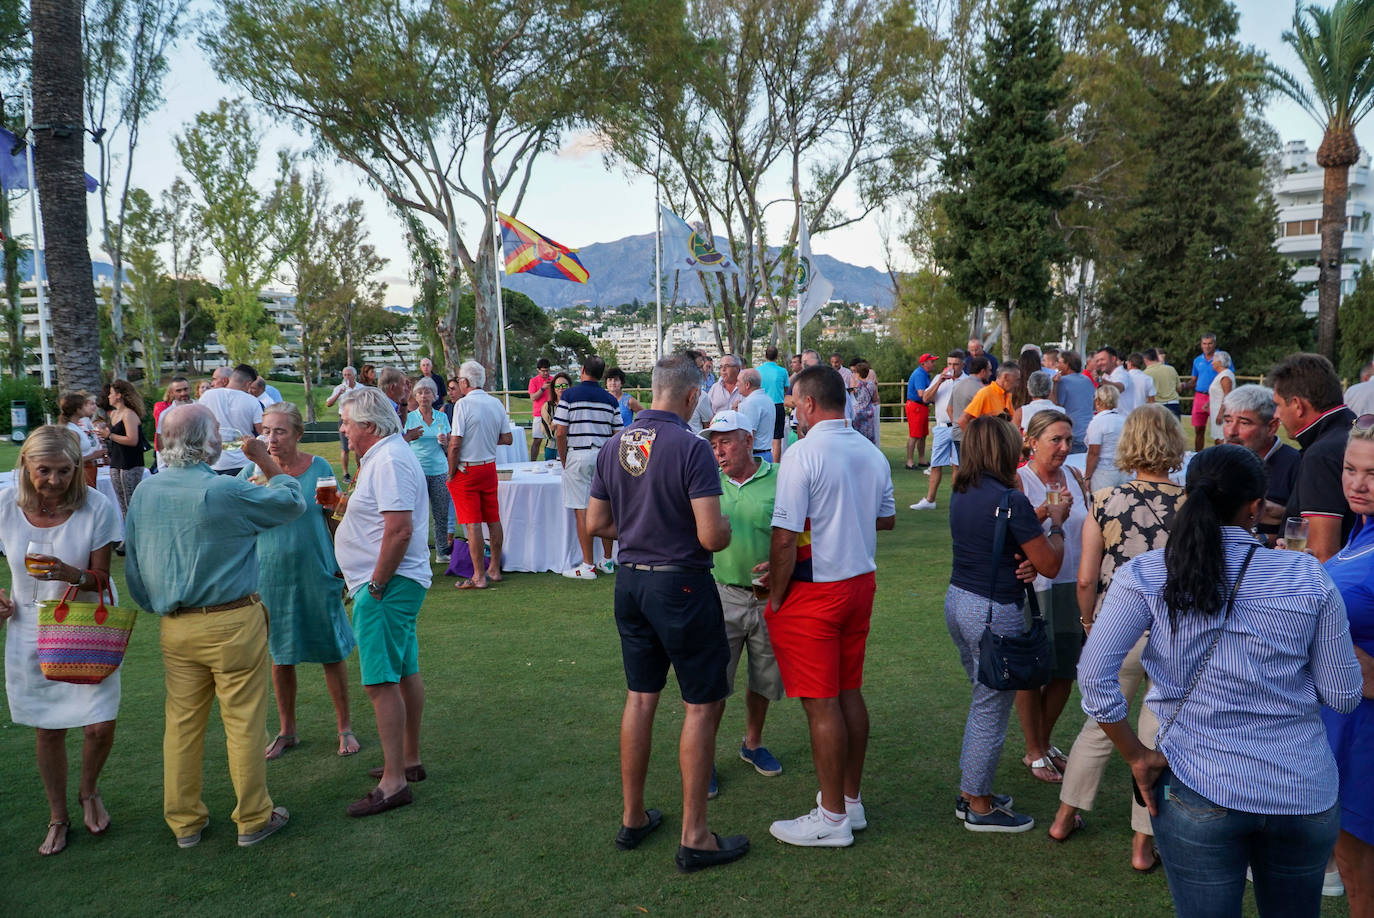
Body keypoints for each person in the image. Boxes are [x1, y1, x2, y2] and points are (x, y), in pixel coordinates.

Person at [1079, 444, 1361, 918]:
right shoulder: (1305, 575)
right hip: (1301, 787)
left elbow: (1094, 678)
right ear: (1256, 507)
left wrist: (1137, 756)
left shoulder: (1147, 573)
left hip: (1197, 784)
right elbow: (1343, 694)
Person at [585, 354, 749, 873]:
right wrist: (724, 531)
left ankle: (633, 817)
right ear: (692, 396)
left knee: (640, 698)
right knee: (700, 704)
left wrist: (640, 533)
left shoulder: (617, 444)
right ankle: (695, 835)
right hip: (680, 583)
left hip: (630, 582)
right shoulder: (692, 448)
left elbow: (595, 523)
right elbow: (709, 535)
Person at [124, 404, 304, 848]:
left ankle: (185, 824)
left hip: (176, 625)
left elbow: (134, 568)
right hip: (231, 621)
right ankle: (253, 818)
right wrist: (263, 459)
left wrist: (160, 606)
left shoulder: (146, 492)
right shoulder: (221, 490)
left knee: (182, 727)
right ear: (206, 442)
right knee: (244, 723)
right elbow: (292, 501)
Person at [1048, 404, 1187, 871]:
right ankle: (1142, 845)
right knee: (1155, 733)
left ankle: (1065, 817)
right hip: (1174, 633)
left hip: (1117, 627)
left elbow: (1086, 578)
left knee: (1099, 726)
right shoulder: (1192, 505)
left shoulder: (1104, 499)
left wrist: (1090, 624)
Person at [765, 365, 895, 847]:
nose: (792, 412)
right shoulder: (871, 451)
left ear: (809, 404)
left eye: (795, 404)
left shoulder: (803, 454)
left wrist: (776, 597)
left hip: (818, 590)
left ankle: (833, 816)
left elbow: (783, 535)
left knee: (822, 704)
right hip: (859, 580)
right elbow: (886, 520)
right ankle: (850, 802)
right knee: (848, 692)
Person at [0, 427, 122, 855]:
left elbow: (102, 579)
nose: (54, 480)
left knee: (99, 725)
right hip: (29, 630)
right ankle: (58, 816)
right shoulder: (5, 506)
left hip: (84, 625)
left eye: (64, 471)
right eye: (43, 471)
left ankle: (88, 791)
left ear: (77, 467)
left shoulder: (97, 506)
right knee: (48, 730)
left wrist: (69, 575)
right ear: (25, 467)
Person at [946, 415, 1067, 831]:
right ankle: (977, 804)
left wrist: (1034, 520)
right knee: (989, 708)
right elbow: (1049, 563)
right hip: (995, 608)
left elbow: (1001, 533)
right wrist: (1057, 524)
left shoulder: (962, 490)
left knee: (984, 699)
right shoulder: (1008, 498)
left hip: (960, 600)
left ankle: (971, 790)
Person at [326, 387, 432, 818]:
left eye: (347, 423)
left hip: (387, 585)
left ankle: (394, 783)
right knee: (403, 669)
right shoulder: (385, 455)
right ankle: (406, 761)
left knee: (380, 681)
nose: (343, 430)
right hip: (390, 583)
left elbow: (400, 530)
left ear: (368, 426)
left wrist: (376, 585)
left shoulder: (388, 459)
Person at [239, 403, 360, 760]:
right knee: (280, 656)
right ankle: (287, 730)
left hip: (315, 569)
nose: (271, 439)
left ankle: (345, 728)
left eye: (280, 431)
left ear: (297, 434)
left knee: (331, 651)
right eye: (266, 431)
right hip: (270, 575)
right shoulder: (252, 472)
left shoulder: (319, 468)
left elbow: (334, 516)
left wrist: (342, 566)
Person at [704, 411, 785, 786]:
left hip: (769, 598)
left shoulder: (780, 479)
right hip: (722, 596)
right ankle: (704, 760)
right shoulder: (707, 485)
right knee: (715, 682)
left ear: (749, 440)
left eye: (727, 442)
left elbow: (800, 532)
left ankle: (752, 743)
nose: (719, 451)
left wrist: (783, 564)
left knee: (764, 678)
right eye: (714, 444)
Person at [1015, 410, 1091, 784]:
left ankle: (1043, 744)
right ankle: (1033, 749)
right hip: (1036, 589)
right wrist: (1048, 511)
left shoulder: (1076, 477)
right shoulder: (1019, 480)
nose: (1063, 448)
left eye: (1068, 440)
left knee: (1065, 670)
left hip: (1072, 585)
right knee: (1031, 674)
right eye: (1055, 440)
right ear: (1032, 441)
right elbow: (1011, 535)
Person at [1324, 418, 1374, 915]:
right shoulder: (1361, 530)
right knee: (1352, 862)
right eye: (1350, 469)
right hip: (1344, 723)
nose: (1358, 484)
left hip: (1367, 732)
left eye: (1373, 473)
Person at [1273, 352, 1359, 560]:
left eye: (1278, 405)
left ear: (1297, 405)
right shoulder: (1357, 432)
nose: (1276, 415)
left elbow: (1322, 553)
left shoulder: (1321, 455)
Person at [447, 360, 513, 590]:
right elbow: (508, 438)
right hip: (488, 467)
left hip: (468, 469)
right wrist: (484, 439)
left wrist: (450, 472)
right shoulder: (496, 403)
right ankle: (494, 568)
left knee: (472, 523)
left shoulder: (463, 405)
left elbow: (455, 444)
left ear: (465, 382)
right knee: (493, 519)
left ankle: (478, 576)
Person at [554, 356, 622, 580]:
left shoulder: (569, 395)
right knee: (606, 507)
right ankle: (608, 560)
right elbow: (617, 434)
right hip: (603, 455)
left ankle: (587, 565)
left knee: (581, 509)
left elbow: (561, 432)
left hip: (579, 453)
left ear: (582, 370)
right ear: (602, 375)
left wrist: (564, 459)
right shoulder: (610, 400)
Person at [1222, 383, 1301, 546]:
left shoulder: (1296, 465)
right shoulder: (1218, 462)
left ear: (1272, 427)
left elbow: (1303, 527)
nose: (1231, 432)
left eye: (1244, 423)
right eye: (1228, 421)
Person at [404, 378, 452, 563]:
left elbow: (449, 446)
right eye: (420, 392)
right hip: (418, 471)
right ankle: (418, 553)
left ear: (434, 395)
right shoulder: (409, 418)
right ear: (415, 396)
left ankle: (442, 552)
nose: (424, 396)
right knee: (417, 515)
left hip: (440, 470)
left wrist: (445, 442)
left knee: (441, 513)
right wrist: (409, 436)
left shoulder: (441, 417)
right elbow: (402, 442)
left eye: (427, 392)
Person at [910, 350, 965, 511]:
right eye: (949, 363)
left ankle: (957, 501)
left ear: (963, 364)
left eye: (955, 364)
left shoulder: (967, 381)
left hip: (959, 427)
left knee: (957, 465)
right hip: (942, 427)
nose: (952, 367)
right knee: (936, 464)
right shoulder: (939, 378)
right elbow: (926, 398)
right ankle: (930, 499)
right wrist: (940, 380)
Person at [199, 364, 264, 476]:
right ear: (248, 383)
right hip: (242, 463)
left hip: (212, 461)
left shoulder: (207, 396)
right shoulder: (253, 401)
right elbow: (262, 432)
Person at [106, 379, 147, 526]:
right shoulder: (114, 414)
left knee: (131, 500)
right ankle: (128, 534)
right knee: (122, 503)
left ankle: (137, 533)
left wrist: (109, 435)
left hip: (130, 462)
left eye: (111, 393)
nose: (108, 396)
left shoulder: (129, 414)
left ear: (119, 395)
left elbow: (132, 440)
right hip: (116, 461)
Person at [1084, 385, 1128, 492]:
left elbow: (1094, 452)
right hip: (1123, 470)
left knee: (1102, 505)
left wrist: (1087, 476)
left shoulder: (1098, 422)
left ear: (1097, 401)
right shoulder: (1124, 420)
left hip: (1103, 472)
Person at [59, 392, 106, 487]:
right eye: (84, 405)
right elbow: (71, 459)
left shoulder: (77, 427)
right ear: (77, 410)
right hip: (81, 473)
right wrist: (94, 455)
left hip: (89, 470)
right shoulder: (72, 430)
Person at [1053, 351, 1095, 453]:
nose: (1057, 365)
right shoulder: (1087, 380)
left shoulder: (1063, 382)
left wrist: (1054, 385)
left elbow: (1057, 406)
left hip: (1073, 433)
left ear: (1067, 364)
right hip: (1089, 432)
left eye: (1059, 362)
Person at [326, 366, 362, 482]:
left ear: (354, 376)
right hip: (344, 420)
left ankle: (360, 471)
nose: (346, 377)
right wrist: (338, 394)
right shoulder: (339, 388)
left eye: (349, 375)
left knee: (358, 447)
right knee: (345, 448)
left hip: (357, 419)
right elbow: (328, 403)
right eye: (345, 375)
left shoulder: (361, 388)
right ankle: (346, 474)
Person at [958, 364, 1019, 430]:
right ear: (1006, 377)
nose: (1017, 384)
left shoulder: (1007, 395)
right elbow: (962, 421)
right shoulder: (985, 393)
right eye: (1016, 380)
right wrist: (976, 439)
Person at [756, 345, 790, 462]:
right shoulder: (782, 371)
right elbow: (785, 388)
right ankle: (775, 465)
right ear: (777, 356)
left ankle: (761, 463)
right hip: (777, 405)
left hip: (761, 405)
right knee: (777, 438)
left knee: (760, 436)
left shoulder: (758, 371)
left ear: (765, 356)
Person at [906, 353, 939, 470]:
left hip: (922, 406)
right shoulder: (920, 374)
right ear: (923, 363)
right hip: (916, 406)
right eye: (932, 361)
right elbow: (921, 393)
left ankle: (921, 459)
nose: (933, 363)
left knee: (923, 435)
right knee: (914, 435)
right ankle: (909, 462)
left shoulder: (925, 374)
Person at [733, 368, 776, 459]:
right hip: (766, 454)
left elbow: (747, 435)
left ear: (747, 384)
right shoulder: (768, 400)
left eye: (738, 381)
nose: (736, 385)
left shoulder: (750, 403)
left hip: (755, 457)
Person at [1187, 332, 1220, 451]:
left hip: (1216, 397)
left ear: (1214, 344)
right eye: (1204, 343)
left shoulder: (1221, 358)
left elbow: (1227, 375)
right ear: (1201, 345)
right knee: (1198, 429)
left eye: (1210, 343)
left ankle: (1219, 457)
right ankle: (1198, 455)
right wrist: (1183, 385)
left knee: (1218, 431)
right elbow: (1194, 380)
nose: (1207, 346)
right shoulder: (1197, 360)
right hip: (1200, 397)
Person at [538, 372, 571, 459]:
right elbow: (547, 430)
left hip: (571, 449)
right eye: (557, 386)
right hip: (552, 449)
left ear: (570, 387)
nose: (561, 388)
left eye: (564, 386)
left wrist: (556, 424)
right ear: (553, 388)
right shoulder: (547, 407)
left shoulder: (574, 405)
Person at [528, 358, 555, 461]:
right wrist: (543, 388)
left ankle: (552, 461)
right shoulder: (533, 381)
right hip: (539, 415)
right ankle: (532, 462)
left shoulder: (554, 380)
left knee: (553, 440)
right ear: (538, 370)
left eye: (547, 370)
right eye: (543, 371)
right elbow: (533, 397)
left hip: (552, 414)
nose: (546, 373)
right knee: (537, 440)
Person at [1206, 350, 1236, 444]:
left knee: (1222, 439)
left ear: (1219, 362)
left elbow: (1227, 395)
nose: (1212, 363)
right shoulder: (1220, 375)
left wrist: (1221, 413)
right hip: (1216, 410)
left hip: (1222, 412)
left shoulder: (1226, 376)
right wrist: (1208, 403)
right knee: (1217, 438)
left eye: (1214, 360)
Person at [1143, 349, 1181, 417]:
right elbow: (1179, 389)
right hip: (1173, 404)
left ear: (1145, 359)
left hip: (1157, 406)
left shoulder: (1145, 374)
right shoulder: (1171, 369)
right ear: (1157, 357)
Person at [850, 359, 879, 445]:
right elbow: (875, 399)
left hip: (858, 412)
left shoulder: (856, 384)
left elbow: (852, 396)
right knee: (869, 435)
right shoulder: (871, 384)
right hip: (869, 411)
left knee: (858, 435)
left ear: (858, 373)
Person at [1020, 370, 1058, 435]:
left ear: (1029, 389)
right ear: (1050, 390)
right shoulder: (1061, 412)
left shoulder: (1021, 412)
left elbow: (1012, 437)